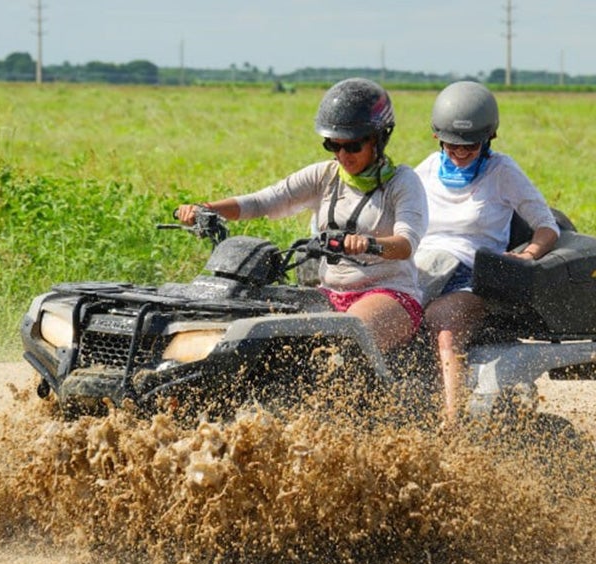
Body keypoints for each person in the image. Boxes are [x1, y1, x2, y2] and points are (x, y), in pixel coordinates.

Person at [175, 78, 428, 354]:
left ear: (379, 139)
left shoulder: (402, 182)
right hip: (327, 294)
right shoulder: (324, 175)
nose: (342, 155)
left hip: (388, 293)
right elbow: (264, 201)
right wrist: (207, 208)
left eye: (353, 146)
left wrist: (366, 243)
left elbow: (405, 244)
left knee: (346, 339)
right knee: (266, 339)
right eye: (333, 145)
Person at [414, 81, 560, 425]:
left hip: (471, 278)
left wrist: (527, 256)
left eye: (471, 146)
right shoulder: (426, 171)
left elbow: (546, 225)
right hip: (422, 270)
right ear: (438, 137)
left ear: (489, 138)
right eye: (453, 145)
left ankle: (452, 426)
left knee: (443, 327)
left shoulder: (503, 172)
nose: (461, 153)